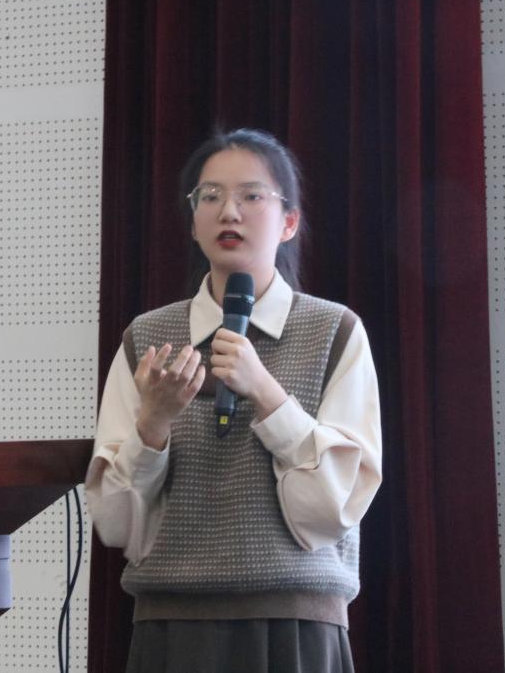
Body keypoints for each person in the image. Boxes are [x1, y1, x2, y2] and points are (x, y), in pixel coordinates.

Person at [85, 128, 382, 673]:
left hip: (295, 625)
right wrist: (153, 423)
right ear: (193, 221)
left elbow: (336, 506)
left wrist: (266, 392)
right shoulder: (147, 338)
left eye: (251, 195)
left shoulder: (334, 331)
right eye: (211, 196)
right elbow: (118, 523)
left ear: (289, 222)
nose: (229, 212)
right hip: (172, 626)